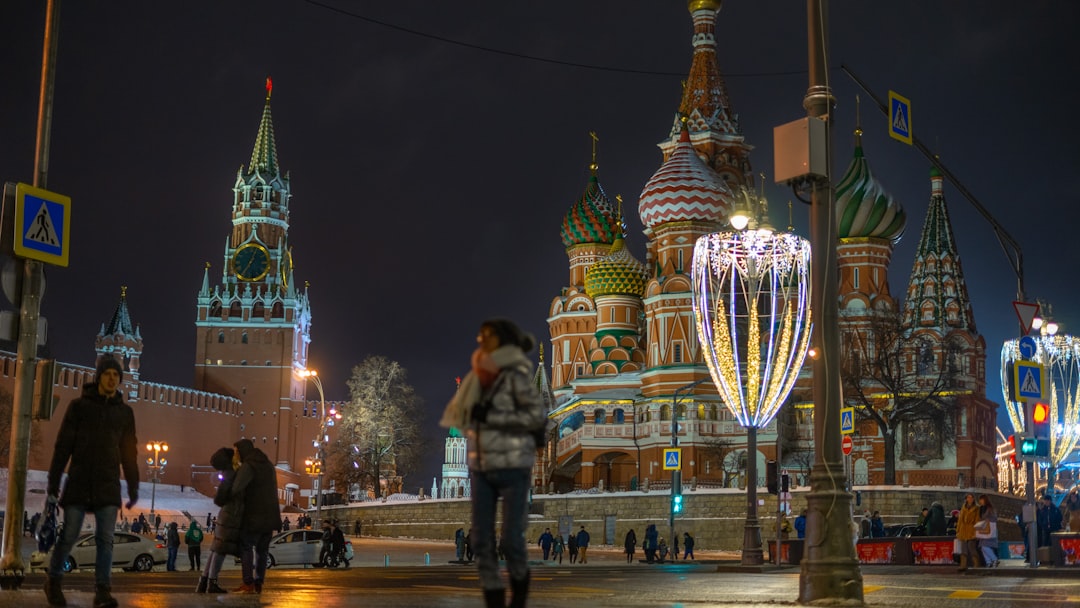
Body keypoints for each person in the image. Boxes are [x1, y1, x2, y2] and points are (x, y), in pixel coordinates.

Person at [439, 318, 547, 608]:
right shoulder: (476, 378)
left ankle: (519, 597)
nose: (480, 341)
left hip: (513, 465)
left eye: (486, 336)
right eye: (480, 336)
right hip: (482, 466)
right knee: (482, 541)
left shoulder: (517, 377)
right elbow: (461, 421)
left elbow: (537, 418)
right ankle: (494, 599)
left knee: (511, 540)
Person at [44, 355, 139, 608]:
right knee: (70, 535)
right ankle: (53, 580)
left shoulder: (125, 413)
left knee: (106, 539)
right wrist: (53, 482)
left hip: (108, 484)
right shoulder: (79, 407)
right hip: (79, 481)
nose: (112, 379)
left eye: (116, 375)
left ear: (120, 380)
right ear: (99, 376)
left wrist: (133, 486)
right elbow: (63, 446)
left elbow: (130, 453)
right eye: (108, 374)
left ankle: (103, 590)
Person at [232, 438, 283, 593]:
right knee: (262, 550)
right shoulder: (268, 465)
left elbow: (237, 488)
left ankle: (248, 583)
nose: (235, 455)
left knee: (246, 547)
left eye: (236, 452)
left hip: (254, 516)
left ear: (242, 451)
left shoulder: (249, 466)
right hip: (271, 516)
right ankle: (259, 583)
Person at [197, 446, 243, 594]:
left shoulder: (227, 473)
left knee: (216, 549)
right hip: (230, 515)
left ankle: (204, 582)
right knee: (220, 550)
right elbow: (220, 498)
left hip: (226, 514)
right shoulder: (231, 473)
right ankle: (212, 583)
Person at [956, 493, 981, 571]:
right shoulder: (963, 508)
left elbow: (977, 521)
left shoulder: (977, 508)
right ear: (966, 499)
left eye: (971, 497)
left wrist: (976, 532)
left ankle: (976, 564)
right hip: (963, 530)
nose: (969, 499)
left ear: (973, 499)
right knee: (963, 549)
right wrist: (958, 530)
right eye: (968, 497)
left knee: (971, 547)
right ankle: (963, 565)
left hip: (971, 530)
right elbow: (960, 520)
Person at [975, 494, 999, 568]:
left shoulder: (990, 509)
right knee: (982, 547)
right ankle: (988, 561)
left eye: (981, 500)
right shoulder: (981, 508)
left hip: (989, 530)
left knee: (985, 546)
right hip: (983, 530)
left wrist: (987, 520)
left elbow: (994, 518)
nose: (980, 501)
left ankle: (994, 559)